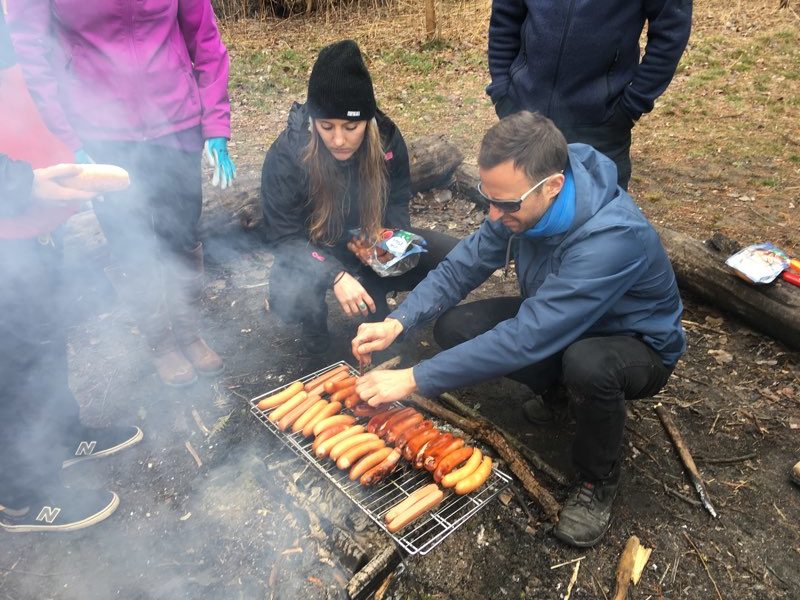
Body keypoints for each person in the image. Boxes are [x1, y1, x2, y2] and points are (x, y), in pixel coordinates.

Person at [352, 111, 686, 548]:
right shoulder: (519, 204)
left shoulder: (612, 238)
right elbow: (462, 267)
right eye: (488, 198)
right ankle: (559, 391)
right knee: (458, 325)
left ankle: (597, 480)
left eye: (506, 204)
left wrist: (415, 377)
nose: (493, 213)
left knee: (588, 365)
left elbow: (527, 335)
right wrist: (399, 320)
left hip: (635, 345)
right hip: (559, 320)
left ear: (552, 187)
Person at [8, 0, 236, 387]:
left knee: (182, 234)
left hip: (175, 119)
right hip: (102, 131)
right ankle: (161, 342)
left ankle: (188, 330)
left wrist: (215, 123)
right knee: (129, 240)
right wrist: (68, 138)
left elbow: (205, 38)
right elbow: (31, 50)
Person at [0, 9, 141, 532]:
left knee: (43, 340)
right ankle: (19, 497)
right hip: (7, 226)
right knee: (10, 370)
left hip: (33, 225)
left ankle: (60, 434)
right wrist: (19, 183)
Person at [260, 40, 457, 354]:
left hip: (363, 242)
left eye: (351, 126)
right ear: (313, 122)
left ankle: (397, 306)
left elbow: (397, 198)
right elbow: (283, 237)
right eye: (327, 126)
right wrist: (335, 275)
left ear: (367, 121)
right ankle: (314, 334)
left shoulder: (387, 141)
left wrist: (385, 240)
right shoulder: (288, 153)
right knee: (291, 301)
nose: (338, 140)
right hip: (310, 249)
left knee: (453, 255)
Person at [485, 0, 692, 190]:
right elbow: (505, 16)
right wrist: (503, 91)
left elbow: (671, 31)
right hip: (524, 115)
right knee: (515, 212)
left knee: (598, 223)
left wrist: (631, 105)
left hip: (601, 125)